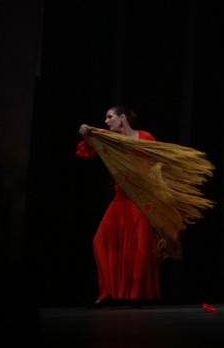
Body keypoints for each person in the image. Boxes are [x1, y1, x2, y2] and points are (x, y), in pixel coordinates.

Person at [78, 106, 160, 306]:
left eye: (109, 117)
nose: (106, 121)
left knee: (140, 247)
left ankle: (138, 293)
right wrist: (85, 134)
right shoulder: (109, 138)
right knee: (101, 241)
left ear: (122, 117)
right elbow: (91, 143)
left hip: (139, 198)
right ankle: (108, 291)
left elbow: (157, 164)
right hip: (120, 199)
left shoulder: (145, 137)